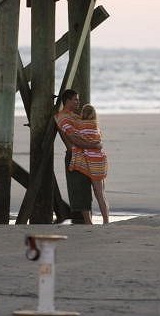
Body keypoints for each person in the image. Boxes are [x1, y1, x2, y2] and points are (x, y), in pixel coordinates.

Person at [54, 89, 101, 224]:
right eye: (75, 99)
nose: (78, 102)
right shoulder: (62, 117)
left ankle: (91, 220)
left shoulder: (75, 116)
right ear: (67, 101)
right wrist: (95, 146)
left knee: (89, 188)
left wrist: (98, 143)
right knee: (79, 189)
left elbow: (90, 131)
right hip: (75, 155)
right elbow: (73, 139)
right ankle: (88, 222)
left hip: (87, 154)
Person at [68, 104, 110, 224]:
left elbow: (74, 137)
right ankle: (106, 220)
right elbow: (99, 142)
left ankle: (91, 221)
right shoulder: (96, 127)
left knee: (86, 192)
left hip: (89, 163)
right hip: (100, 161)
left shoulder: (80, 126)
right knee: (101, 194)